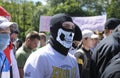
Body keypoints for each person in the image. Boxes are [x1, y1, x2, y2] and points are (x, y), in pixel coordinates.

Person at [24, 13, 80, 78]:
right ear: (54, 29)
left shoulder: (72, 60)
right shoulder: (40, 57)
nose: (71, 31)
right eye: (66, 26)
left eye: (72, 27)